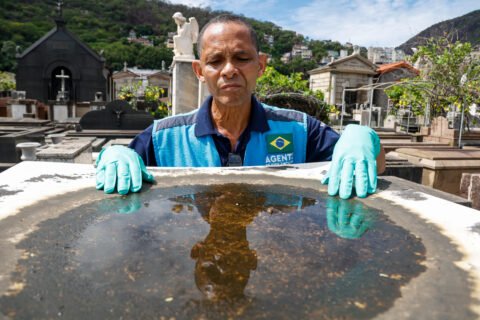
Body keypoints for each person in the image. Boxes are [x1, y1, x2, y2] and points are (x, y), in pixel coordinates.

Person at [95, 14, 385, 199]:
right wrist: (116, 153)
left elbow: (372, 166)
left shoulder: (298, 129)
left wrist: (364, 140)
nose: (229, 70)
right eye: (215, 61)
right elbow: (122, 172)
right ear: (199, 71)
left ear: (260, 65)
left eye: (242, 58)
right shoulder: (163, 136)